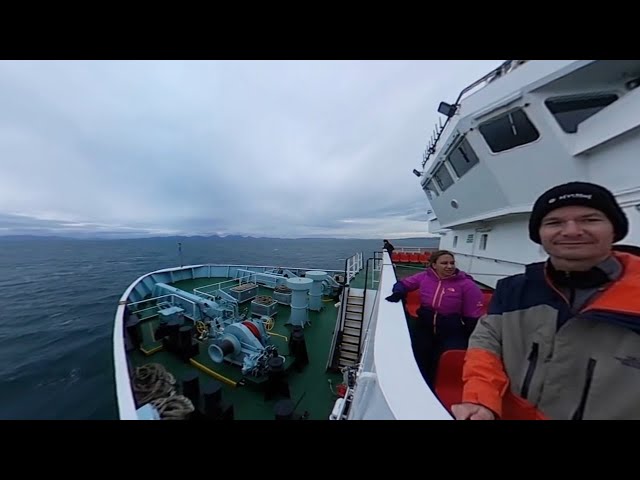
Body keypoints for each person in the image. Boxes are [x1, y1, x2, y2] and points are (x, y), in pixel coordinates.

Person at [452, 181, 640, 420]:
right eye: (554, 222)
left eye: (590, 219)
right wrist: (481, 398)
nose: (571, 231)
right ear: (539, 235)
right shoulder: (513, 290)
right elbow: (487, 344)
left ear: (615, 229)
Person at [386, 250, 484, 386]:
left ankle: (435, 390)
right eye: (444, 263)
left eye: (452, 263)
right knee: (418, 357)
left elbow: (472, 314)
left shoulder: (466, 285)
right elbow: (404, 284)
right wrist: (398, 292)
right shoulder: (425, 277)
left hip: (450, 329)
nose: (449, 266)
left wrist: (472, 336)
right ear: (433, 265)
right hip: (424, 325)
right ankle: (417, 385)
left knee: (442, 363)